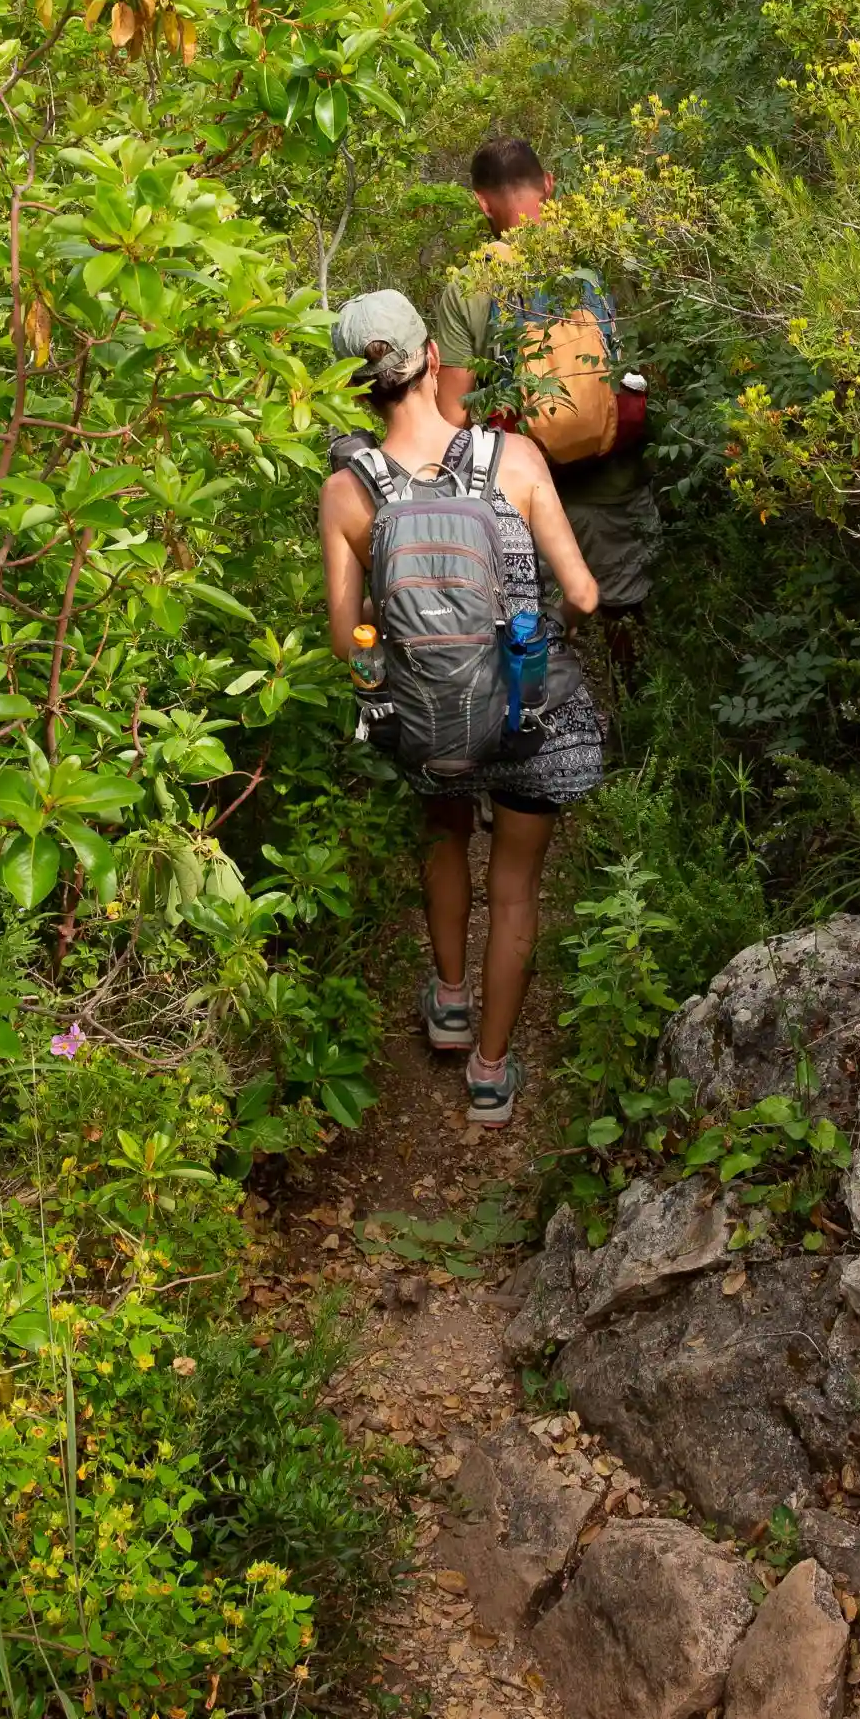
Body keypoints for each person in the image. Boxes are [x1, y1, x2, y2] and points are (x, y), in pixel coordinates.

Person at [318, 288, 601, 1126]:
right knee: (515, 887)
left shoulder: (348, 490)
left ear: (354, 387)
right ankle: (490, 1069)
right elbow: (582, 591)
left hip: (423, 722)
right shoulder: (513, 460)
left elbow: (347, 643)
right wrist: (537, 622)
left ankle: (447, 999)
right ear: (433, 360)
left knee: (443, 835)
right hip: (529, 716)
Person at [433, 132, 659, 679]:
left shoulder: (468, 286)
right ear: (550, 186)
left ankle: (560, 734)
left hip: (527, 498)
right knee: (627, 618)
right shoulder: (594, 261)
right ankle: (643, 726)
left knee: (538, 628)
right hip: (614, 480)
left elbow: (452, 417)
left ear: (482, 203)